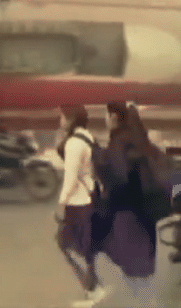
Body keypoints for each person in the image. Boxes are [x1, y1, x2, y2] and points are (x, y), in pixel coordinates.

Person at [94, 101, 169, 308]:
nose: (105, 120)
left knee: (133, 267)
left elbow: (119, 177)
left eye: (107, 116)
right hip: (147, 210)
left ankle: (146, 304)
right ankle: (149, 302)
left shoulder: (119, 141)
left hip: (127, 211)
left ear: (115, 118)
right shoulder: (140, 139)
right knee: (144, 266)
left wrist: (100, 162)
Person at [55, 105, 107, 308]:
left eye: (61, 117)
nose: (59, 121)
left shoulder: (74, 144)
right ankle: (93, 288)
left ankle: (93, 289)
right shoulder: (86, 137)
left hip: (78, 202)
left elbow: (71, 178)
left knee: (64, 243)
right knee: (86, 248)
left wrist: (61, 203)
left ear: (70, 120)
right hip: (90, 197)